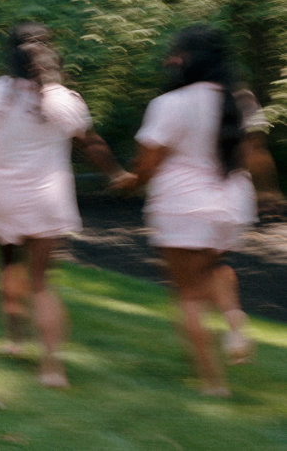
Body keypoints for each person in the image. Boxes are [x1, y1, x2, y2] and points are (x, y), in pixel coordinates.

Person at [0, 22, 131, 387]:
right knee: (41, 282)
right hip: (49, 197)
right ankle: (52, 368)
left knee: (6, 265)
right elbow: (92, 145)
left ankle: (15, 340)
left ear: (9, 55)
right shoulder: (64, 100)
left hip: (0, 196)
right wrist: (116, 173)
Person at [126, 25, 260, 396]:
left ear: (185, 59)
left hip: (183, 204)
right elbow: (251, 155)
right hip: (232, 203)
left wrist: (129, 182)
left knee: (186, 294)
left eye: (174, 53)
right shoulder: (242, 100)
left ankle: (212, 383)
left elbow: (147, 165)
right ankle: (233, 321)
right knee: (213, 266)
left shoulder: (170, 103)